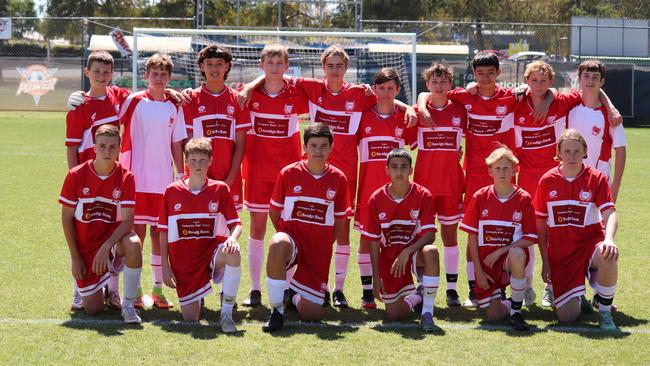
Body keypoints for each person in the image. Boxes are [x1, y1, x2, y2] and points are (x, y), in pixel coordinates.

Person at [240, 45, 417, 307]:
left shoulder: (359, 93)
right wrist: (248, 86)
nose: (334, 71)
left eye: (339, 66)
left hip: (344, 175)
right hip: (310, 173)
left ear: (346, 68)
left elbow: (385, 97)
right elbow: (275, 76)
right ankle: (280, 288)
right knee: (300, 229)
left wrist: (409, 108)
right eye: (330, 65)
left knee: (341, 232)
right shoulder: (312, 88)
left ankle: (339, 288)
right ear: (323, 68)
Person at [416, 52, 550, 306]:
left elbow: (544, 92)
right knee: (474, 233)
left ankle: (525, 285)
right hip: (475, 175)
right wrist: (422, 105)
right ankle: (474, 289)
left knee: (515, 229)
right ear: (473, 75)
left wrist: (546, 99)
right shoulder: (464, 97)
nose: (485, 78)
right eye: (480, 73)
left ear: (499, 73)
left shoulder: (512, 96)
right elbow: (430, 93)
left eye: (490, 73)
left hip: (506, 175)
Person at [238, 44, 309, 307]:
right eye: (270, 63)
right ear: (262, 65)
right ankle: (255, 289)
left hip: (288, 175)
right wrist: (251, 85)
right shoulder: (249, 95)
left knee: (287, 230)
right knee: (257, 229)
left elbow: (325, 91)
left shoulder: (296, 94)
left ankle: (289, 288)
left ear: (287, 67)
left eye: (280, 63)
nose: (275, 68)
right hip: (256, 172)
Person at [262, 123, 350, 332]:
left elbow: (339, 221)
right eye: (313, 146)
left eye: (323, 146)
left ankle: (294, 296)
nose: (317, 151)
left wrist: (325, 243)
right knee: (277, 244)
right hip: (292, 240)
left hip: (318, 247)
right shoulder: (289, 173)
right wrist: (285, 236)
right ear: (305, 148)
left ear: (331, 148)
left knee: (312, 316)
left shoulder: (338, 179)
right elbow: (274, 212)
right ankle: (277, 310)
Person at [534, 129, 620, 331]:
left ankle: (605, 311)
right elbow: (540, 224)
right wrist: (546, 261)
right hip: (562, 253)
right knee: (567, 318)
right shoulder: (547, 180)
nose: (571, 156)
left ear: (585, 152)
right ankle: (578, 295)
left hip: (589, 244)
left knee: (608, 255)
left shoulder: (596, 178)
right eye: (567, 151)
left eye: (576, 151)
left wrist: (609, 239)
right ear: (559, 153)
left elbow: (610, 213)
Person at [119, 53, 187, 308]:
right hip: (135, 181)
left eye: (163, 75)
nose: (158, 78)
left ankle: (158, 290)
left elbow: (176, 142)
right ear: (146, 76)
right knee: (136, 237)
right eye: (154, 74)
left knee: (160, 237)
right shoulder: (134, 101)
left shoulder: (173, 105)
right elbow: (112, 118)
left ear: (170, 78)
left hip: (163, 183)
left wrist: (180, 175)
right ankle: (134, 291)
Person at [64, 51, 130, 310]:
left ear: (112, 75)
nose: (101, 76)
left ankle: (113, 291)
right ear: (86, 73)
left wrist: (170, 93)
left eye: (106, 72)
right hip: (87, 183)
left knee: (110, 231)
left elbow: (146, 95)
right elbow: (71, 147)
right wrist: (76, 180)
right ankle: (79, 290)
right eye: (97, 71)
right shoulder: (79, 106)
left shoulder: (117, 97)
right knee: (84, 234)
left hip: (112, 180)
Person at [59, 125, 143, 323]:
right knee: (94, 310)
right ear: (94, 148)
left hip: (112, 243)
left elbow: (128, 221)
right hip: (86, 246)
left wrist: (106, 246)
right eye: (102, 146)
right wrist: (76, 258)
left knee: (134, 243)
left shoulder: (126, 177)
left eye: (112, 147)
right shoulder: (76, 175)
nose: (107, 151)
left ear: (119, 149)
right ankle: (93, 288)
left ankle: (129, 306)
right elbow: (66, 218)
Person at [159, 138, 242, 332]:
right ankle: (198, 296)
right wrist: (164, 265)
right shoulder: (171, 191)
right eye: (193, 160)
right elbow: (163, 231)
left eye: (203, 160)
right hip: (185, 261)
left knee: (233, 253)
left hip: (212, 251)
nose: (198, 165)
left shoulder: (220, 189)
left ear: (210, 161)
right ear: (185, 161)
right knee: (191, 319)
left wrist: (232, 238)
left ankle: (227, 313)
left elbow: (236, 223)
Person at [354, 68, 415, 309]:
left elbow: (422, 143)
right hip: (368, 192)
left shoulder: (405, 118)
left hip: (397, 194)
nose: (386, 93)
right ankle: (367, 291)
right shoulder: (363, 116)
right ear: (375, 89)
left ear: (398, 90)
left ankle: (401, 287)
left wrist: (408, 108)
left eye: (391, 88)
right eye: (381, 88)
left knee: (397, 238)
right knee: (365, 240)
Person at [362, 148, 442, 332]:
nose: (399, 172)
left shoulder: (423, 195)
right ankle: (418, 295)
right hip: (390, 258)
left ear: (411, 170)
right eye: (394, 167)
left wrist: (407, 251)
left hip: (414, 254)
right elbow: (373, 242)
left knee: (431, 251)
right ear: (387, 170)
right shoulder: (376, 198)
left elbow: (430, 235)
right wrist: (375, 278)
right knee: (393, 314)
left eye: (404, 167)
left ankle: (427, 314)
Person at [460, 146, 537, 331]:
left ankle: (516, 312)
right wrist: (478, 271)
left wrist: (501, 251)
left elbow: (530, 237)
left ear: (514, 170)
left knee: (517, 253)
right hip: (487, 264)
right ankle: (511, 301)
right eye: (497, 168)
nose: (502, 172)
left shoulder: (523, 198)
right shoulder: (480, 197)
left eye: (506, 168)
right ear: (489, 171)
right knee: (493, 315)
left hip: (509, 259)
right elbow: (472, 238)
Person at [409, 63, 466, 306]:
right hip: (424, 186)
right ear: (427, 85)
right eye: (434, 82)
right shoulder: (418, 112)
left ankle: (452, 289)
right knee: (425, 237)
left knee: (450, 236)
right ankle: (424, 285)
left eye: (444, 82)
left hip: (451, 184)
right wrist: (420, 105)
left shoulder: (460, 110)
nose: (439, 86)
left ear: (450, 85)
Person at [182, 44, 245, 212]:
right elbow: (187, 143)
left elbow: (240, 145)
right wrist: (198, 174)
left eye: (219, 63)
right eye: (209, 63)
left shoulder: (237, 100)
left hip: (229, 177)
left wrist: (230, 178)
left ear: (227, 66)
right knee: (197, 223)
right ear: (202, 66)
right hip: (198, 176)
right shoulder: (191, 99)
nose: (214, 68)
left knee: (227, 228)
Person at [567, 59, 626, 202]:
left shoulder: (611, 116)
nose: (590, 81)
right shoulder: (568, 106)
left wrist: (615, 186)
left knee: (600, 223)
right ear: (579, 79)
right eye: (586, 76)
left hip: (599, 180)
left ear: (602, 82)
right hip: (569, 178)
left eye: (595, 77)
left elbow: (621, 150)